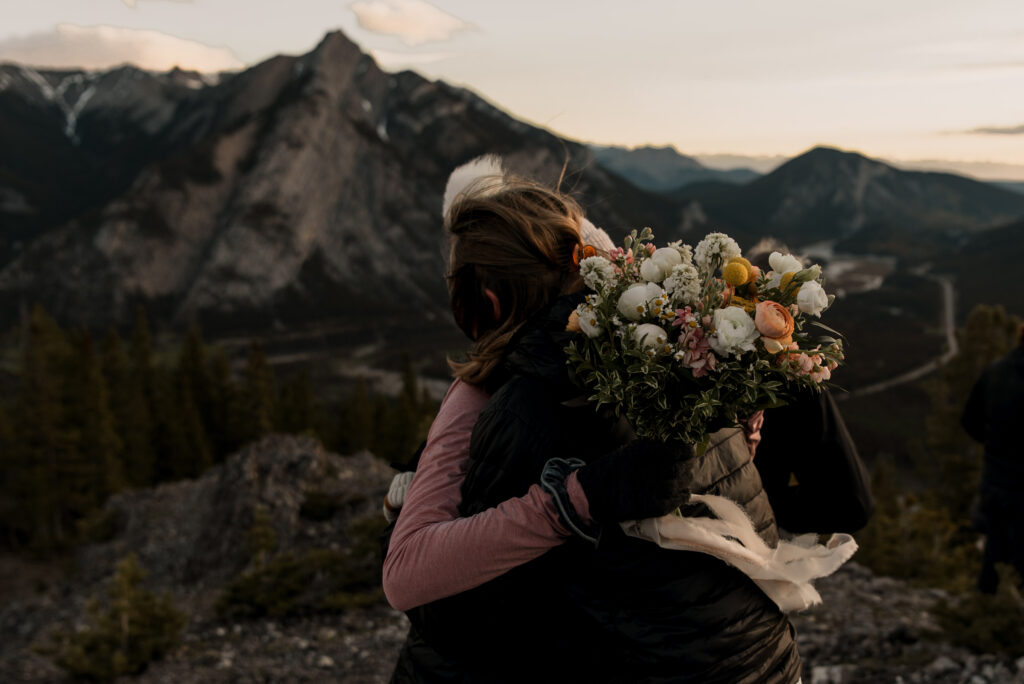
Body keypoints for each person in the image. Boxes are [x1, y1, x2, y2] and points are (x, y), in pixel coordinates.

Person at [385, 157, 802, 683]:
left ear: (487, 301)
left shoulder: (524, 406)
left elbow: (427, 594)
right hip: (773, 662)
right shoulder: (688, 351)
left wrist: (572, 498)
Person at [960, 323, 1024, 594]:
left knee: (994, 553)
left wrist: (996, 448)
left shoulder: (996, 372)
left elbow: (969, 421)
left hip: (996, 480)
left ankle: (982, 619)